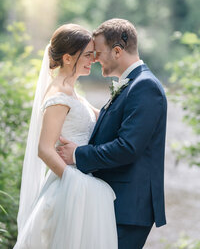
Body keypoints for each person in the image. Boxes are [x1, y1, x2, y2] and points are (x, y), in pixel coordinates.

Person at [57, 18, 167, 249]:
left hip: (129, 207)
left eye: (97, 52)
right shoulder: (131, 84)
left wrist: (78, 155)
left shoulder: (145, 86)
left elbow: (128, 147)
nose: (94, 59)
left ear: (117, 51)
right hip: (115, 202)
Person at [14, 24, 118, 249]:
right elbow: (44, 149)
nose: (93, 59)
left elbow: (101, 119)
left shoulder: (73, 92)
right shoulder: (58, 95)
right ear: (68, 58)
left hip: (81, 183)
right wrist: (76, 184)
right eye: (88, 55)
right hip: (68, 187)